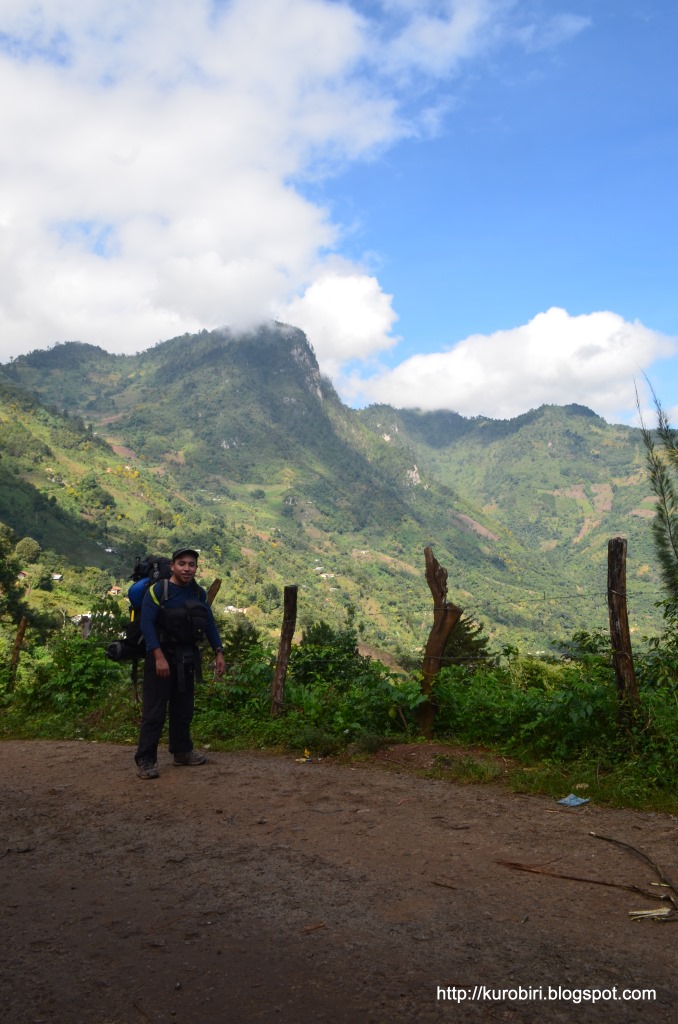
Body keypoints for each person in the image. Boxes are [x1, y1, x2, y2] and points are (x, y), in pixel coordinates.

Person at [134, 547, 226, 779]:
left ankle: (182, 751)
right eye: (182, 564)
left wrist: (219, 651)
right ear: (173, 566)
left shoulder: (198, 593)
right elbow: (147, 624)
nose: (187, 568)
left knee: (183, 708)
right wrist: (158, 656)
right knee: (154, 711)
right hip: (160, 657)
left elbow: (209, 624)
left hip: (186, 658)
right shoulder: (158, 590)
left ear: (196, 568)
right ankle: (146, 759)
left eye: (191, 564)